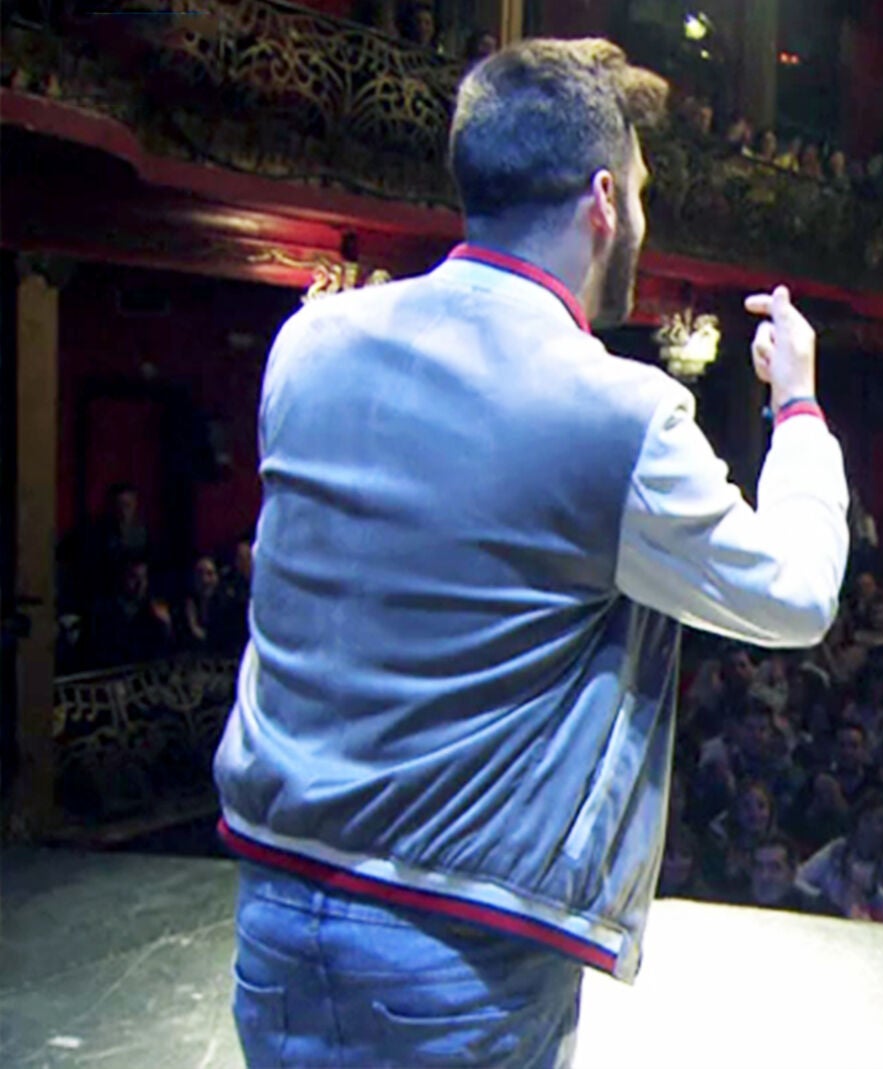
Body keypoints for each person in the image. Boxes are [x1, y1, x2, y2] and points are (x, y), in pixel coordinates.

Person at [214, 39, 850, 1069]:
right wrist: (798, 405)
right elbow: (796, 594)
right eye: (641, 188)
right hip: (453, 962)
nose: (642, 211)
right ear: (605, 201)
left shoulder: (308, 344)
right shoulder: (614, 412)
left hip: (272, 922)